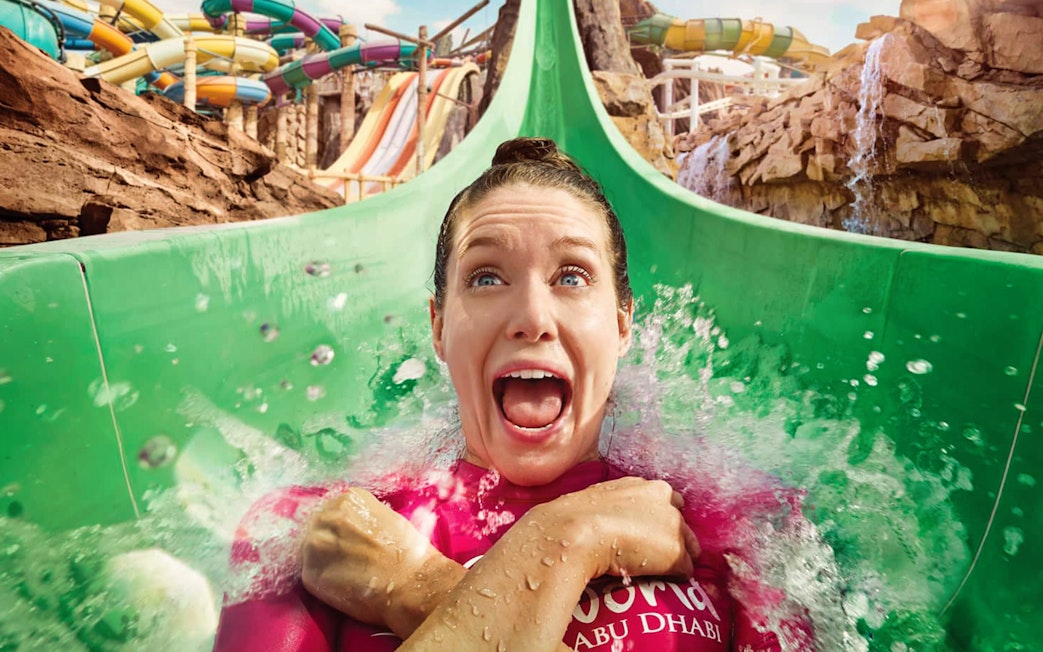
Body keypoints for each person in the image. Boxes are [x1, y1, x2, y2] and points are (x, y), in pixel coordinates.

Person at [214, 137, 815, 651]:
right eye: (486, 278)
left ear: (622, 325)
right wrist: (563, 541)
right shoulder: (316, 533)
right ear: (439, 327)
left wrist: (417, 587)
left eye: (572, 276)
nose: (531, 317)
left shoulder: (735, 523)